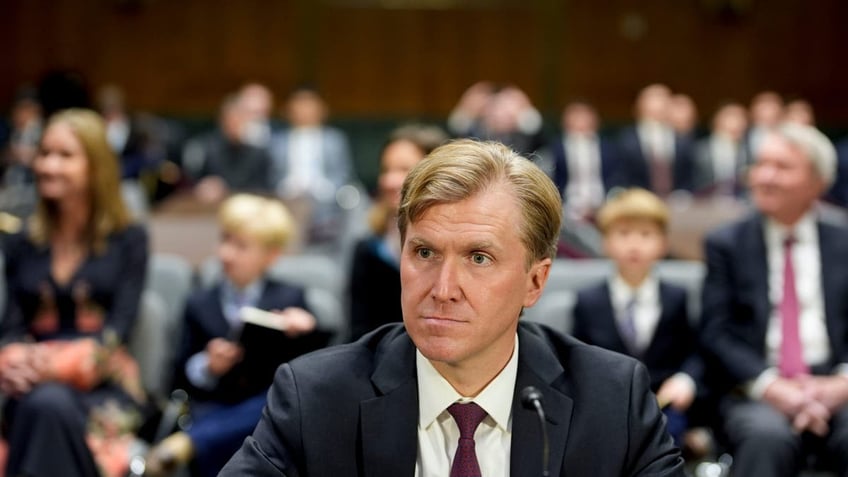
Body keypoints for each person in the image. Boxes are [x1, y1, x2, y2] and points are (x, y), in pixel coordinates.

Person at [220, 139, 684, 476]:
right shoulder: (315, 397)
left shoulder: (611, 400)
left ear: (535, 281)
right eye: (424, 253)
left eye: (479, 258)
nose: (442, 288)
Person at [0, 108, 149, 477]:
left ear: (96, 166)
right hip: (26, 385)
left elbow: (118, 330)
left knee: (48, 406)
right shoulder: (21, 240)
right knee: (45, 405)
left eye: (64, 156)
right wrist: (13, 361)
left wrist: (48, 368)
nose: (48, 165)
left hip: (103, 385)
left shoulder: (129, 239)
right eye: (45, 153)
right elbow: (11, 326)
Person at [700, 123, 848, 476]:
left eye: (782, 167)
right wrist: (772, 386)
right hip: (757, 387)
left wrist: (841, 384)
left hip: (836, 382)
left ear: (817, 182)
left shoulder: (844, 242)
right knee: (767, 437)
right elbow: (716, 334)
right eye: (761, 164)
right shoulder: (727, 244)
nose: (765, 176)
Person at [145, 194, 329, 477]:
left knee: (276, 404)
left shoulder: (290, 297)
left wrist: (305, 330)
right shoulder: (200, 302)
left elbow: (314, 373)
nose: (226, 253)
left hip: (268, 409)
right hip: (215, 406)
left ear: (271, 255)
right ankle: (199, 440)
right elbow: (177, 377)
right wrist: (206, 366)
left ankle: (191, 442)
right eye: (225, 240)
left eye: (241, 246)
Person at [571, 188, 704, 450]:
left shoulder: (676, 298)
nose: (634, 244)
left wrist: (685, 380)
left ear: (663, 243)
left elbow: (694, 351)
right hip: (606, 406)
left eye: (645, 235)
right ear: (605, 242)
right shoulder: (589, 301)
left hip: (664, 406)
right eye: (623, 234)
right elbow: (577, 357)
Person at [348, 124, 448, 341]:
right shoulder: (368, 249)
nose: (389, 181)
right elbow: (358, 332)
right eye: (386, 170)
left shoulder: (457, 249)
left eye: (404, 170)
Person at [268, 86, 355, 244]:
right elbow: (271, 176)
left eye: (309, 104)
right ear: (289, 109)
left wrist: (322, 189)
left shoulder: (335, 139)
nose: (304, 110)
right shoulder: (276, 142)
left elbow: (342, 174)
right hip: (287, 200)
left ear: (321, 109)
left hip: (327, 200)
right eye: (299, 104)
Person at [615, 84, 694, 196]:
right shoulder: (627, 139)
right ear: (640, 105)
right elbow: (621, 175)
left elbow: (689, 176)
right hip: (639, 202)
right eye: (653, 99)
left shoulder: (682, 139)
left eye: (663, 99)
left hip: (677, 202)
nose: (658, 104)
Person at [692, 102, 750, 197]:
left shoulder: (748, 150)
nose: (738, 122)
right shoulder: (700, 150)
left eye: (742, 117)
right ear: (718, 120)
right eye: (732, 117)